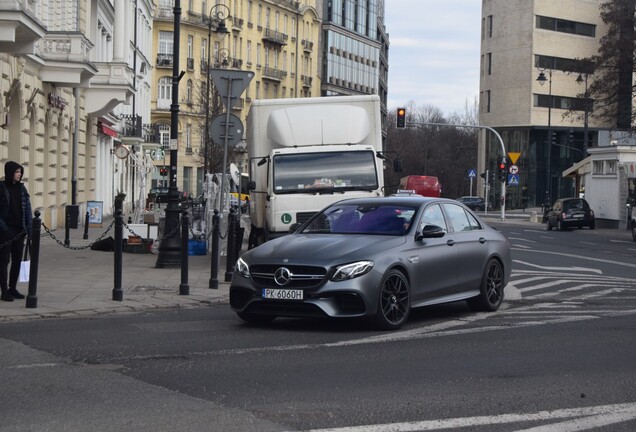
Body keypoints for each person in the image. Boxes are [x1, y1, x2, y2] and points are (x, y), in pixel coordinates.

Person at [0, 161, 32, 301]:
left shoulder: (22, 189)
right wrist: (4, 229)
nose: (19, 174)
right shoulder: (1, 188)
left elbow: (28, 210)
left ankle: (13, 288)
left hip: (19, 231)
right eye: (17, 172)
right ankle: (4, 290)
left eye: (20, 172)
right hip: (5, 231)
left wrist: (29, 230)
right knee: (3, 261)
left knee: (17, 260)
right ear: (10, 172)